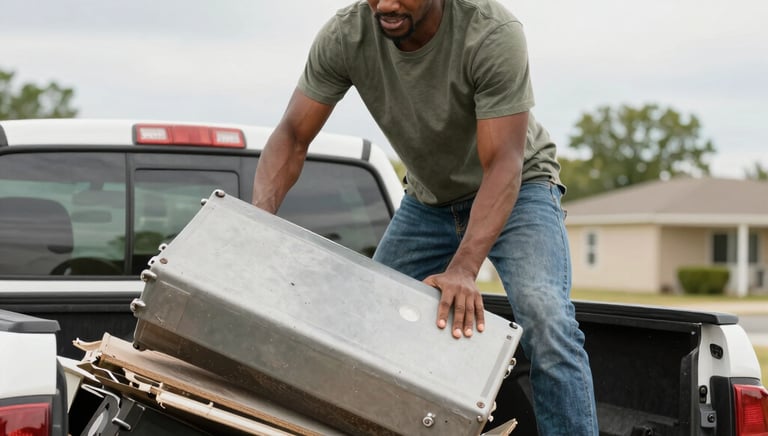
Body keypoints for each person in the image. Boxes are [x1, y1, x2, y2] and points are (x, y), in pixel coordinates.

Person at [252, 0, 598, 433]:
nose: (387, 5)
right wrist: (255, 226)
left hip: (519, 187)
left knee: (547, 320)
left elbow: (504, 164)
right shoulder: (346, 34)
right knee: (365, 326)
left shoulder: (490, 32)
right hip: (428, 200)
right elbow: (292, 133)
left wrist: (464, 268)